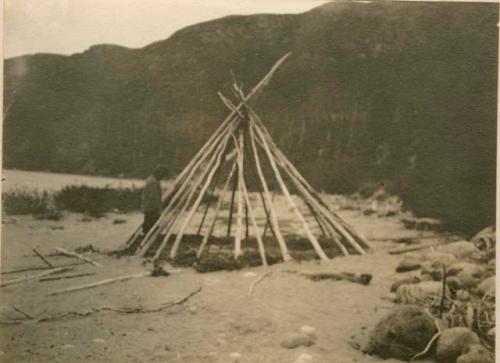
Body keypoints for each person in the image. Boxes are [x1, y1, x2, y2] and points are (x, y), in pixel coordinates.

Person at [141, 165, 168, 234]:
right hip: (152, 208)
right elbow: (154, 197)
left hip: (148, 207)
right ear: (159, 173)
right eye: (163, 175)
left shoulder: (151, 179)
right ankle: (147, 239)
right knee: (152, 227)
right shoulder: (154, 182)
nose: (162, 177)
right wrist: (158, 208)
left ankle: (145, 238)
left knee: (148, 224)